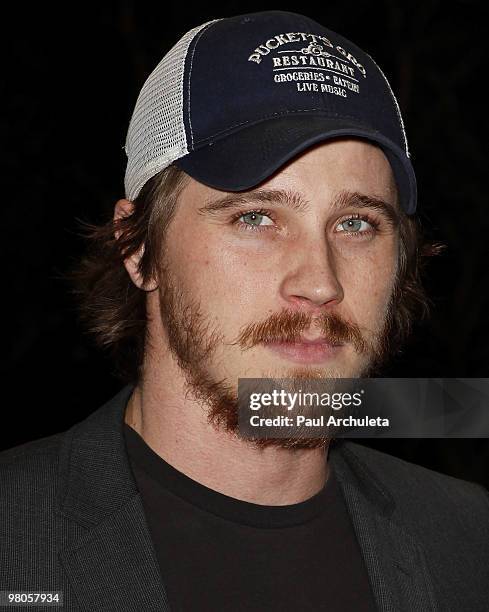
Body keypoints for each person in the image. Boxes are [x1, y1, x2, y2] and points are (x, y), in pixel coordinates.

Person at [1, 10, 488, 612]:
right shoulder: (17, 542)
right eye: (255, 218)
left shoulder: (469, 540)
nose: (319, 282)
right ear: (138, 247)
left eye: (357, 223)